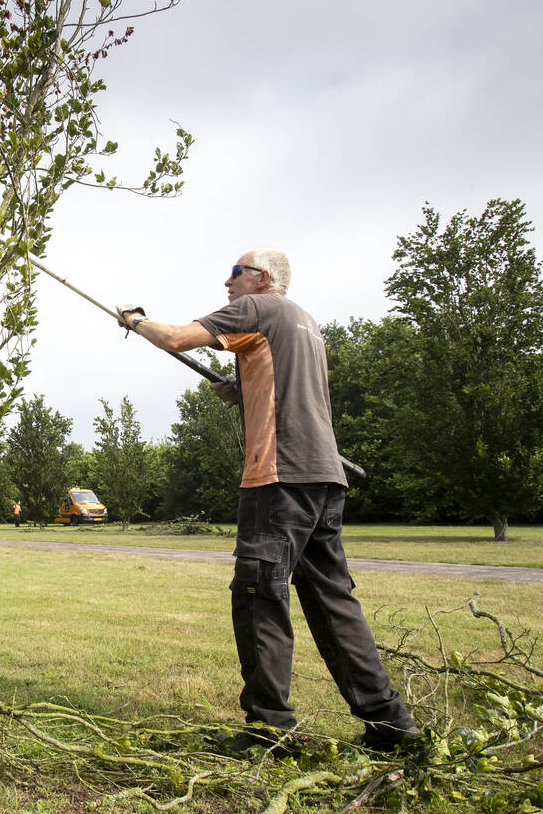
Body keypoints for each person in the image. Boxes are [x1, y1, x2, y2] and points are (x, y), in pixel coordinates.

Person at [118, 248, 418, 754]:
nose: (228, 282)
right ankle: (391, 727)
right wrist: (242, 389)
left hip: (279, 478)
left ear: (262, 278)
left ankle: (270, 731)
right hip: (322, 478)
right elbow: (287, 390)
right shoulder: (305, 322)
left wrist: (136, 320)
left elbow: (176, 338)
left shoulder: (257, 307)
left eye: (236, 273)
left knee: (260, 596)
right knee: (333, 603)